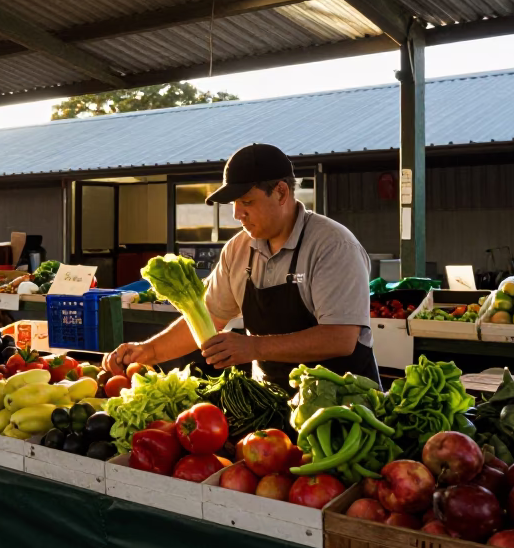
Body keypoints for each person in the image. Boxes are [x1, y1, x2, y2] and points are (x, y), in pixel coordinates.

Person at [104, 143, 379, 389]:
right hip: (271, 403)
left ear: (281, 192)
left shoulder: (333, 246)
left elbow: (340, 338)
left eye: (247, 202)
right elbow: (209, 315)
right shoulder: (238, 249)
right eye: (234, 204)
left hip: (344, 408)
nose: (237, 214)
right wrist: (148, 351)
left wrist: (254, 346)